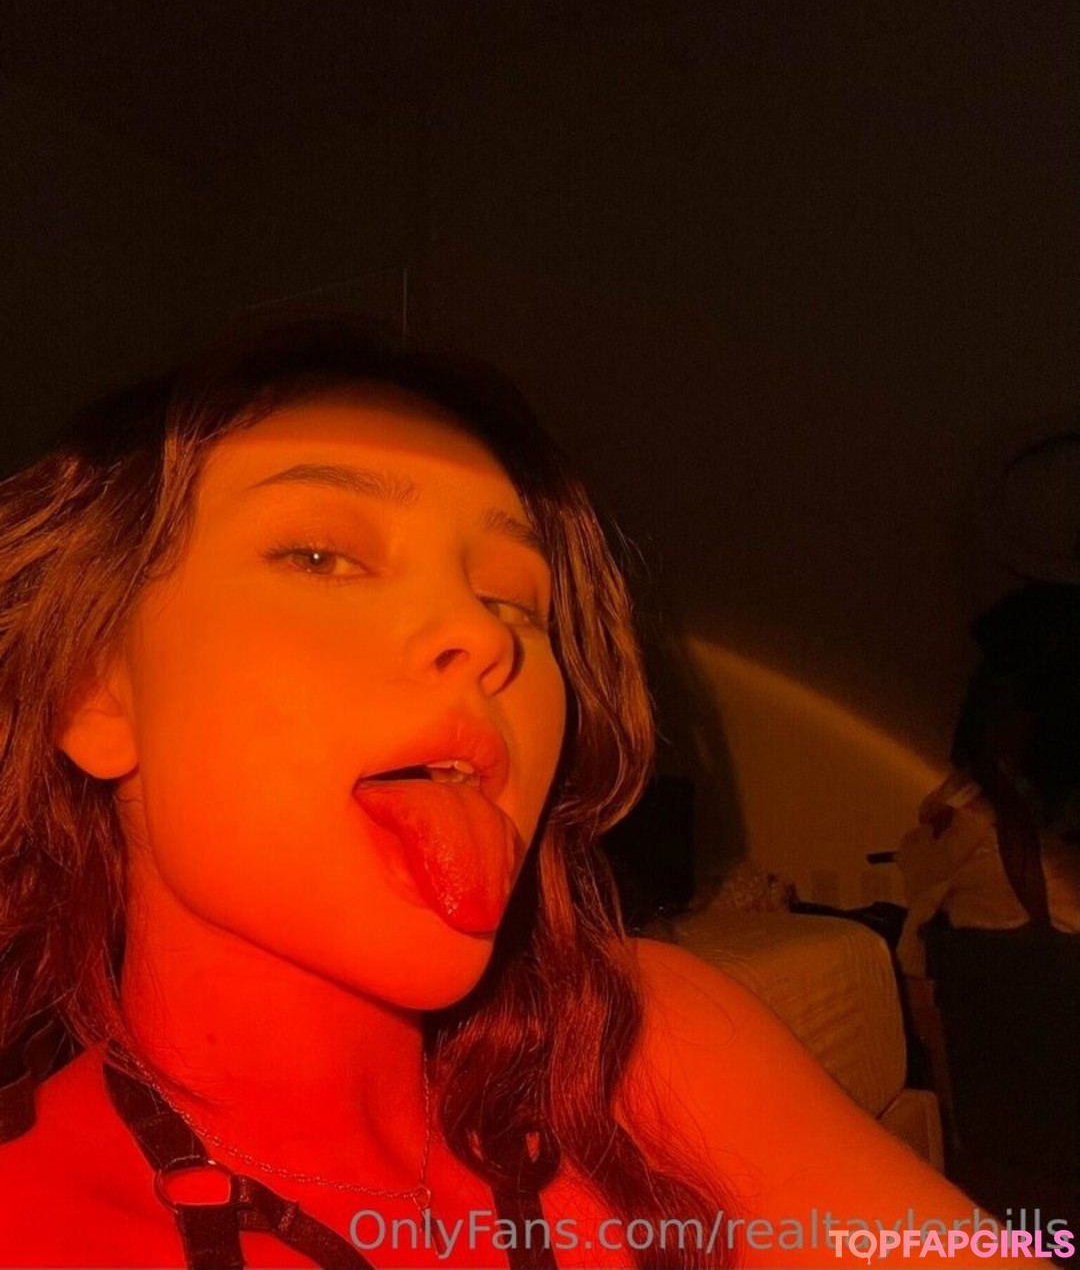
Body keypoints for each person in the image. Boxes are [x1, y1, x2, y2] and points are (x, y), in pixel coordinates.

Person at [0, 314, 1015, 1269]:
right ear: (94, 691)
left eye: (515, 600)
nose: (484, 635)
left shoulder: (644, 1044)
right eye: (323, 554)